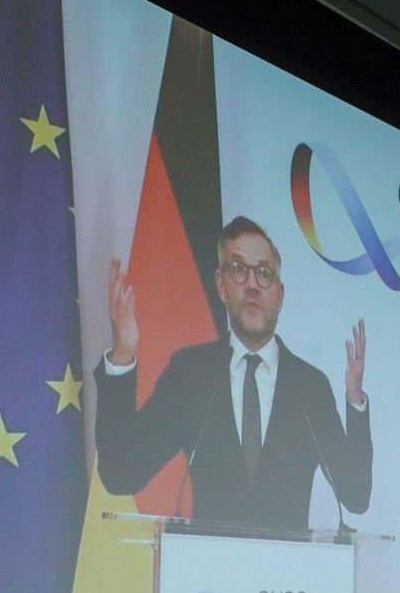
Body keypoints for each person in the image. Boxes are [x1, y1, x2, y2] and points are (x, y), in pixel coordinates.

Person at [94, 215, 372, 531]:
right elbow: (120, 474)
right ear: (221, 285)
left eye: (264, 273)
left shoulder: (309, 386)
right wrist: (122, 356)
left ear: (279, 296)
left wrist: (355, 400)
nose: (253, 284)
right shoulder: (192, 374)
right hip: (206, 576)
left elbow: (356, 495)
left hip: (290, 577)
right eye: (239, 270)